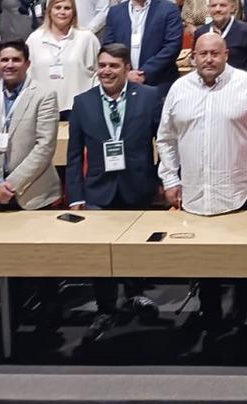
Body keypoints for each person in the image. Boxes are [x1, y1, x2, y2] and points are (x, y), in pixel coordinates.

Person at [157, 33, 247, 334]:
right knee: (204, 258)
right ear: (192, 56)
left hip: (236, 188)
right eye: (202, 54)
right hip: (193, 190)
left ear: (226, 54)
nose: (208, 59)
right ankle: (211, 315)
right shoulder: (179, 88)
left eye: (214, 54)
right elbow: (165, 138)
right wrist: (170, 177)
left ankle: (244, 311)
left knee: (240, 257)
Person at [65, 40, 165, 340]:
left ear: (127, 69)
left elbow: (164, 141)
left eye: (113, 66)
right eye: (103, 65)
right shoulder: (83, 102)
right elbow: (73, 155)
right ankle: (106, 306)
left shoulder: (148, 97)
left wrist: (162, 179)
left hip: (137, 185)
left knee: (135, 247)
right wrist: (76, 195)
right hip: (98, 189)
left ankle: (135, 295)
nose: (106, 71)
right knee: (100, 252)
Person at [0, 39, 61, 218]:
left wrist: (10, 185)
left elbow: (44, 147)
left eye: (16, 60)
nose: (9, 65)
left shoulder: (44, 95)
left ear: (27, 64)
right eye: (4, 60)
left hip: (33, 195)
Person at [102, 0, 184, 88]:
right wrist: (126, 73)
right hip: (124, 82)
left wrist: (144, 73)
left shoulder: (169, 10)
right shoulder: (115, 12)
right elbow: (109, 46)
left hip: (159, 83)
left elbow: (172, 46)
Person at [28, 0, 100, 117]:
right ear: (49, 11)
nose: (62, 12)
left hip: (79, 108)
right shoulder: (34, 39)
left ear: (73, 13)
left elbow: (98, 72)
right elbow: (27, 74)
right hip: (43, 108)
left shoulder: (87, 38)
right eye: (57, 7)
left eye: (67, 8)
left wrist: (93, 101)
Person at [194, 0, 247, 78]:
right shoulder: (201, 33)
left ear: (232, 8)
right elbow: (195, 62)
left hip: (240, 86)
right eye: (213, 5)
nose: (218, 9)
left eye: (222, 5)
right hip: (209, 86)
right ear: (208, 8)